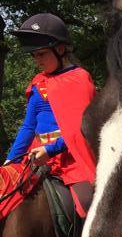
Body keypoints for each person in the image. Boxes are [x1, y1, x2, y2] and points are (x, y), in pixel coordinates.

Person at [2, 13, 96, 217]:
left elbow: (80, 128)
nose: (37, 61)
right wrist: (12, 159)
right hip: (36, 156)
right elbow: (28, 126)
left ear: (60, 49)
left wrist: (51, 150)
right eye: (34, 56)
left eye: (41, 54)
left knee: (89, 204)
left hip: (71, 159)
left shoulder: (80, 79)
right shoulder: (39, 82)